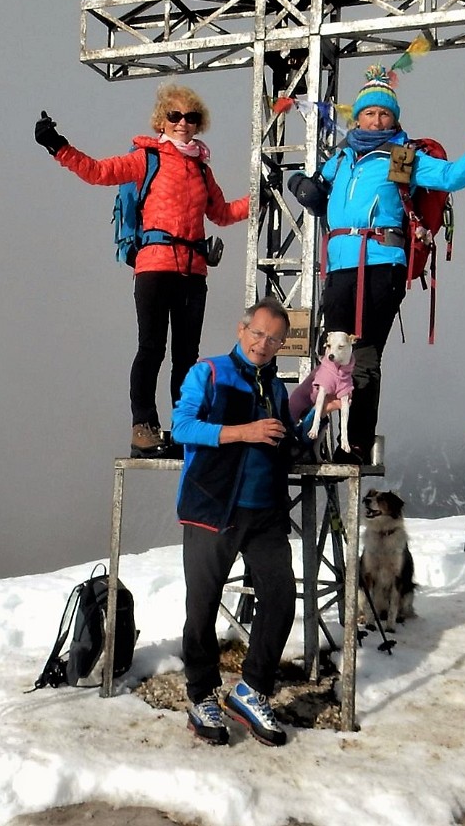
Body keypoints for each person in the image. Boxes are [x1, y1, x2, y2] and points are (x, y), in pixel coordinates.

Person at [291, 64, 465, 461]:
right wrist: (299, 184)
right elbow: (311, 184)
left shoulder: (402, 157)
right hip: (338, 266)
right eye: (370, 112)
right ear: (359, 116)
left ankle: (355, 446)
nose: (377, 119)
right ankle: (313, 436)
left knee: (363, 355)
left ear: (394, 118)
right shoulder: (341, 159)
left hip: (383, 262)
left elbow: (452, 176)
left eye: (385, 113)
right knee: (331, 355)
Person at [35, 84, 249, 458]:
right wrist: (58, 146)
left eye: (191, 117)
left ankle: (185, 427)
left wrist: (260, 196)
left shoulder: (200, 167)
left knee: (186, 354)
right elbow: (99, 172)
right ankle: (144, 427)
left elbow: (221, 213)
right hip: (154, 267)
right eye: (175, 116)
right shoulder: (146, 158)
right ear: (161, 120)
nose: (183, 123)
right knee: (151, 348)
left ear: (200, 124)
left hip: (193, 272)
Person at [171, 298, 302, 747]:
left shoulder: (277, 389)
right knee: (202, 607)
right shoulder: (208, 372)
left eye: (274, 339)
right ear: (242, 329)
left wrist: (312, 421)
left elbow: (284, 436)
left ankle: (251, 690)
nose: (264, 344)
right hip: (213, 510)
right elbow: (182, 427)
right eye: (258, 333)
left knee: (281, 598)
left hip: (265, 511)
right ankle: (201, 696)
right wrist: (241, 432)